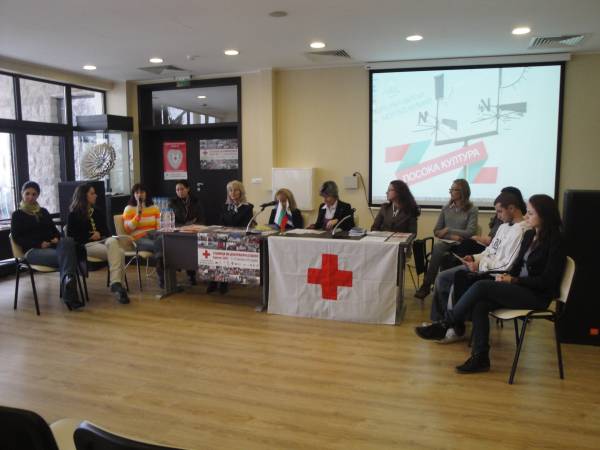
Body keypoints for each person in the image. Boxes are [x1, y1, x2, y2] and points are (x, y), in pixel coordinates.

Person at [420, 194, 566, 373]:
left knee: (481, 286)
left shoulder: (556, 241)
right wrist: (507, 277)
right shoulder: (530, 235)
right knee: (480, 304)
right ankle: (480, 357)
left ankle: (446, 323)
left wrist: (514, 280)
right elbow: (517, 265)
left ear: (544, 215)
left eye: (530, 213)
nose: (526, 217)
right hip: (519, 287)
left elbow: (547, 281)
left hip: (537, 295)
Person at [416, 191, 529, 343]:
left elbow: (507, 265)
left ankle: (453, 328)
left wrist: (479, 265)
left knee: (458, 280)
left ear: (512, 208)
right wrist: (474, 258)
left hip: (493, 273)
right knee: (442, 277)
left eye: (500, 211)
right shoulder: (503, 227)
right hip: (482, 266)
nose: (498, 216)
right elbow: (489, 251)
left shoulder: (522, 230)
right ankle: (439, 322)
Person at [10, 181, 82, 309]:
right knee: (70, 255)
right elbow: (17, 238)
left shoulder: (43, 212)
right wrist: (38, 244)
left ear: (38, 196)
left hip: (52, 248)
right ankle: (70, 289)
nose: (30, 197)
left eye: (34, 194)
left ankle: (68, 283)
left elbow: (55, 231)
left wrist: (56, 238)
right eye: (27, 194)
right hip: (32, 251)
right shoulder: (17, 215)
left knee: (68, 241)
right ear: (22, 194)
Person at [414, 179, 478, 299]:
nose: (451, 192)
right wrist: (450, 235)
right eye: (451, 189)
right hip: (447, 242)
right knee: (438, 247)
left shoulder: (472, 210)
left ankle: (432, 286)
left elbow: (470, 232)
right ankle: (426, 285)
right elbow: (437, 231)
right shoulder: (446, 208)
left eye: (454, 189)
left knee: (440, 249)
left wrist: (448, 230)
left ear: (463, 192)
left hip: (463, 243)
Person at [67, 184, 129, 304]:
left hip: (101, 242)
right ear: (84, 196)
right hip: (86, 245)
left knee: (112, 240)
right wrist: (89, 237)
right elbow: (71, 237)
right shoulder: (73, 215)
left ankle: (116, 284)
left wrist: (99, 234)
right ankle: (119, 287)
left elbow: (107, 232)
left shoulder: (97, 211)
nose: (95, 195)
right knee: (120, 252)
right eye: (92, 193)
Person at [207, 180, 254, 294]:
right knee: (214, 249)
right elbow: (221, 223)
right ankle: (213, 280)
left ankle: (224, 282)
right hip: (224, 237)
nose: (232, 193)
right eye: (230, 190)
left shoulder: (247, 207)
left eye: (235, 190)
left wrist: (233, 213)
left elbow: (243, 225)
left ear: (241, 192)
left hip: (239, 239)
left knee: (224, 251)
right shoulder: (225, 206)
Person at [122, 184, 164, 288]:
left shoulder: (154, 208)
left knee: (164, 240)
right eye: (137, 192)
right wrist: (138, 214)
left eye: (142, 192)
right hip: (139, 238)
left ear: (146, 194)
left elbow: (159, 226)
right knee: (161, 245)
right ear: (133, 195)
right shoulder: (129, 209)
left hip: (154, 235)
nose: (139, 194)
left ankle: (160, 265)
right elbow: (128, 229)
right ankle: (162, 274)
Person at [169, 180, 205, 285]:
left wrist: (193, 225)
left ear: (188, 189)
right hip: (179, 232)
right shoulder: (172, 202)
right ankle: (173, 275)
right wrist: (185, 225)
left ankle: (191, 275)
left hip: (194, 232)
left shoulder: (196, 201)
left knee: (191, 248)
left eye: (182, 189)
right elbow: (172, 221)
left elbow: (201, 219)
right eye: (177, 190)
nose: (179, 191)